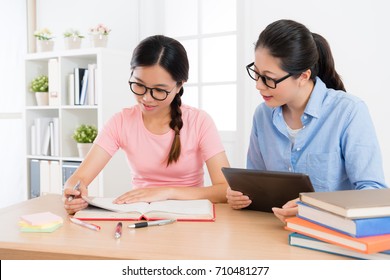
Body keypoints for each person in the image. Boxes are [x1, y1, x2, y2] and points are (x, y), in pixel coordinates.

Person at [226, 19, 387, 222]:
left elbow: (373, 193)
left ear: (303, 75)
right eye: (256, 73)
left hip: (331, 234)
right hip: (272, 231)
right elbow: (255, 184)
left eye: (268, 78)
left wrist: (312, 207)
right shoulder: (263, 115)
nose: (259, 85)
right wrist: (240, 196)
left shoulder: (348, 111)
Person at [64, 35, 230, 214]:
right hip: (140, 216)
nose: (146, 98)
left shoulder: (199, 121)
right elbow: (79, 178)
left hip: (189, 216)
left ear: (179, 85)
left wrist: (167, 192)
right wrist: (73, 192)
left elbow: (225, 189)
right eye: (139, 85)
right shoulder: (121, 121)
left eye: (159, 90)